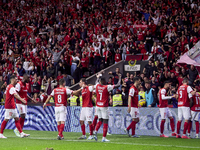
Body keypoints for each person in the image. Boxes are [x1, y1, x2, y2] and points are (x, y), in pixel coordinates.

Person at [93, 72, 121, 142]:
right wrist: (120, 77)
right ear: (104, 81)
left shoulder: (97, 86)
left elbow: (96, 82)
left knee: (100, 120)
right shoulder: (107, 87)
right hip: (104, 106)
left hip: (98, 106)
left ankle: (95, 131)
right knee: (105, 120)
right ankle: (104, 138)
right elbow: (118, 85)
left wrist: (98, 77)